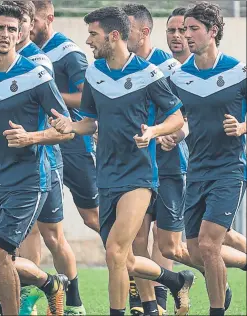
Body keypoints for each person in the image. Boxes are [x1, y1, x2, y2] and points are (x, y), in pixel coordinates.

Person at [50, 6, 196, 316]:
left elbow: (176, 117)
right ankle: (173, 282)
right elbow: (89, 120)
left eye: (93, 34)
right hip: (106, 176)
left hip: (139, 175)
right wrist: (70, 126)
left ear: (113, 36)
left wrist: (154, 131)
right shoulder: (94, 73)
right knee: (124, 256)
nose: (88, 41)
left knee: (115, 252)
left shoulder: (148, 73)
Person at [0, 2, 86, 315]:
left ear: (20, 32)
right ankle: (50, 283)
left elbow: (67, 130)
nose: (6, 34)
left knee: (1, 251)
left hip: (30, 177)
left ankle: (60, 296)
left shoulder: (37, 74)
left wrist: (32, 137)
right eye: (0, 28)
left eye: (12, 28)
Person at [170, 2, 247, 315]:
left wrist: (241, 126)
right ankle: (222, 281)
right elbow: (180, 119)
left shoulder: (238, 71)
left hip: (229, 170)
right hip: (196, 169)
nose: (186, 35)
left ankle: (216, 310)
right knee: (192, 249)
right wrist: (171, 135)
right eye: (183, 29)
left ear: (213, 31)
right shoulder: (180, 77)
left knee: (210, 243)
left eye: (193, 29)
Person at [122, 5, 188, 315]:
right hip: (135, 166)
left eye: (127, 29)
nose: (122, 36)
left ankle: (174, 286)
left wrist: (173, 135)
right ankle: (149, 305)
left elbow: (186, 117)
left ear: (143, 32)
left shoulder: (171, 67)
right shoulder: (122, 67)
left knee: (167, 244)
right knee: (136, 236)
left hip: (169, 165)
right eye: (172, 30)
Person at [30, 0, 100, 234]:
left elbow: (88, 98)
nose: (28, 28)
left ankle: (132, 260)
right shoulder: (26, 52)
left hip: (75, 144)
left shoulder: (68, 52)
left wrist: (48, 94)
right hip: (45, 144)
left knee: (92, 217)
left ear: (49, 19)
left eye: (34, 22)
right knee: (37, 223)